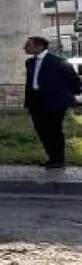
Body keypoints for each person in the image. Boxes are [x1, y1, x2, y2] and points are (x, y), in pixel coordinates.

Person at [24, 35, 82, 169]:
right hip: (36, 102)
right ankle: (51, 157)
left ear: (39, 46)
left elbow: (74, 81)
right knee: (41, 130)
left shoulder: (57, 61)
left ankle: (59, 159)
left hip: (55, 102)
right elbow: (30, 83)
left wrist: (66, 96)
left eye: (28, 45)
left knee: (54, 130)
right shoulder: (30, 62)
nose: (24, 47)